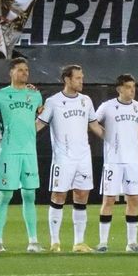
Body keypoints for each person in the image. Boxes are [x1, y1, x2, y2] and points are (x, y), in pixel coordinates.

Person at [37, 65, 96, 254]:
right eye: (78, 78)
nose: (81, 81)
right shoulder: (53, 102)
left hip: (83, 157)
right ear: (67, 80)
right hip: (63, 158)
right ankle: (55, 242)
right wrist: (20, 133)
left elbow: (95, 126)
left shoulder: (86, 101)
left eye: (82, 77)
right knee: (58, 196)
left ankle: (79, 242)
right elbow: (39, 124)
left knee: (81, 196)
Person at [0, 58, 44, 254]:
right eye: (20, 70)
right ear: (11, 73)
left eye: (26, 70)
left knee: (30, 195)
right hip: (8, 152)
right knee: (5, 195)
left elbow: (40, 115)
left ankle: (33, 241)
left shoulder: (35, 95)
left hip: (29, 151)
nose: (25, 73)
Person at [90, 74, 138, 252]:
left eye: (134, 87)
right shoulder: (107, 107)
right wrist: (105, 136)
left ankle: (132, 243)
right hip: (113, 162)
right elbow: (92, 122)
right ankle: (103, 242)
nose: (132, 90)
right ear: (119, 89)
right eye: (129, 87)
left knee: (133, 200)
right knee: (108, 200)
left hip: (132, 162)